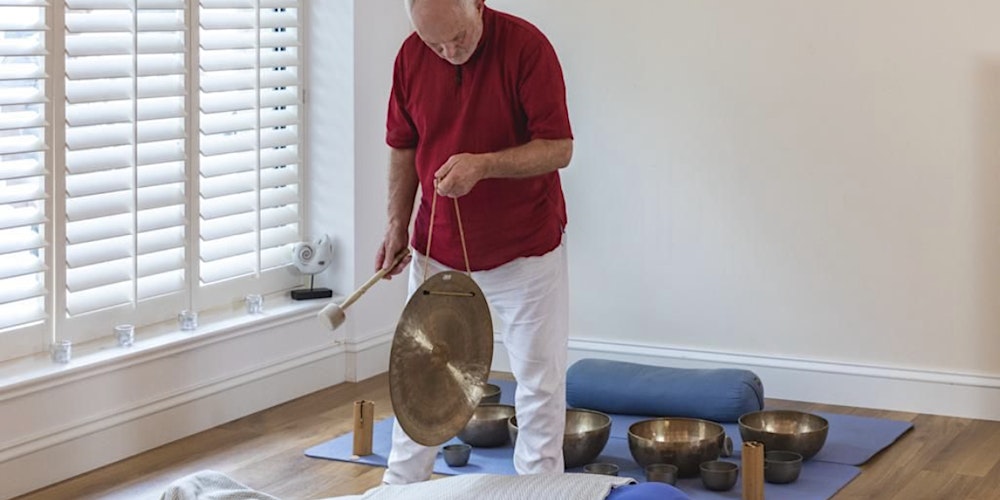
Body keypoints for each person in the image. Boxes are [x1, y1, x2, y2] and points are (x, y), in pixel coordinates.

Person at [375, 0, 574, 485]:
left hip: (524, 249)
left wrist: (483, 165)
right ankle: (400, 489)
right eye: (433, 43)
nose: (447, 52)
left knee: (538, 389)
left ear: (478, 5)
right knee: (419, 381)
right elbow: (403, 143)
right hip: (435, 250)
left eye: (458, 38)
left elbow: (559, 148)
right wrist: (397, 225)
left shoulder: (528, 48)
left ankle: (540, 494)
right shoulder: (409, 57)